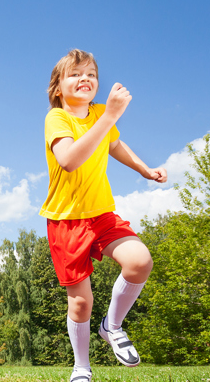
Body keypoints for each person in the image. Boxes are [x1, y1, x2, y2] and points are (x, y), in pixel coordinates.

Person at [39, 49, 167, 382]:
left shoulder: (100, 114)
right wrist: (109, 116)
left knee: (139, 261)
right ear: (57, 88)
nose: (85, 78)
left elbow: (112, 144)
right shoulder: (57, 119)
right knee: (81, 302)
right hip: (66, 221)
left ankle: (112, 326)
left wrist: (143, 169)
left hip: (101, 214)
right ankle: (82, 367)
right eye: (75, 73)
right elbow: (69, 159)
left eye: (91, 74)